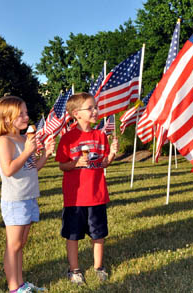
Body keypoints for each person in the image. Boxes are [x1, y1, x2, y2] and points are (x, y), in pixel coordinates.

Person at [0, 96, 55, 293]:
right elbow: (9, 169)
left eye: (26, 112)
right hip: (15, 200)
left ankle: (21, 283)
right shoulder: (4, 141)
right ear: (6, 119)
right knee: (13, 245)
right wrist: (28, 151)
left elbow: (32, 168)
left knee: (21, 244)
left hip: (29, 197)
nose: (27, 117)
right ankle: (13, 288)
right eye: (21, 114)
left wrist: (45, 154)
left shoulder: (23, 139)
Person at [55, 92, 119, 285]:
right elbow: (62, 165)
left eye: (95, 107)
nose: (95, 111)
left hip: (97, 195)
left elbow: (104, 163)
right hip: (75, 199)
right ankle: (74, 270)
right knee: (73, 235)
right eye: (90, 108)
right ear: (76, 113)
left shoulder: (100, 136)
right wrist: (76, 163)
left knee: (98, 234)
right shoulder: (68, 138)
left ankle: (99, 267)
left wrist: (113, 154)